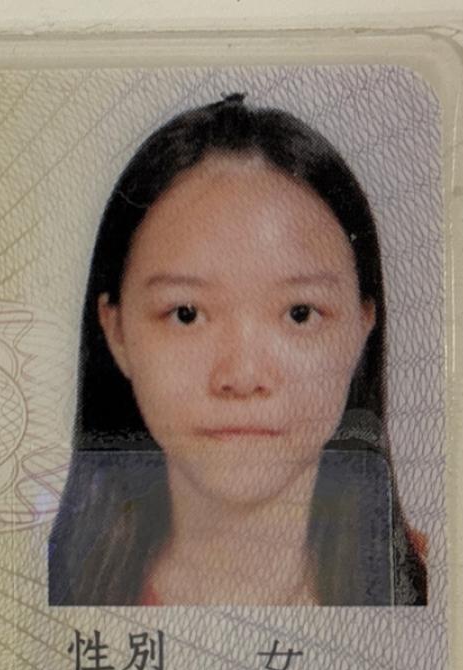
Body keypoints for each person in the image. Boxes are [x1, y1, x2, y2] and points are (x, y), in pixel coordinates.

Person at [47, 94, 427, 607]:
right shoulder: (31, 599)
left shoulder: (446, 594)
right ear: (116, 332)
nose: (243, 375)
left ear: (362, 326)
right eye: (186, 314)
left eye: (299, 314)